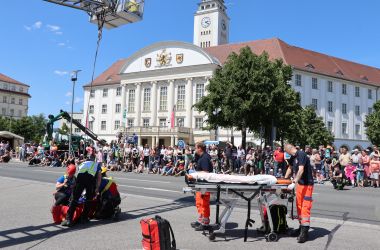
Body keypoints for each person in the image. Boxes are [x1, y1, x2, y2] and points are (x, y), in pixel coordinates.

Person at [285, 144, 314, 244]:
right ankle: (301, 228)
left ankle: (305, 233)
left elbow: (301, 169)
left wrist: (294, 182)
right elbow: (290, 168)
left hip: (307, 185)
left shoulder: (301, 154)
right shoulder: (293, 157)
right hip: (300, 185)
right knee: (299, 207)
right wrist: (284, 180)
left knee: (305, 207)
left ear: (288, 150)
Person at [61, 158, 102, 227]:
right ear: (93, 161)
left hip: (80, 179)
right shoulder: (96, 165)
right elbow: (99, 177)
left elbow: (78, 174)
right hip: (90, 180)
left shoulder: (82, 164)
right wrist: (97, 188)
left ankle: (69, 220)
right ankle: (84, 218)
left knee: (74, 199)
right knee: (89, 199)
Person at [191, 142, 213, 231]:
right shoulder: (202, 157)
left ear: (200, 148)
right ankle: (201, 220)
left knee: (204, 204)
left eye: (196, 148)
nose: (195, 149)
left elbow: (206, 172)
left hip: (205, 184)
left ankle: (205, 223)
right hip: (201, 184)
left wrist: (195, 174)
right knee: (199, 203)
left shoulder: (204, 158)